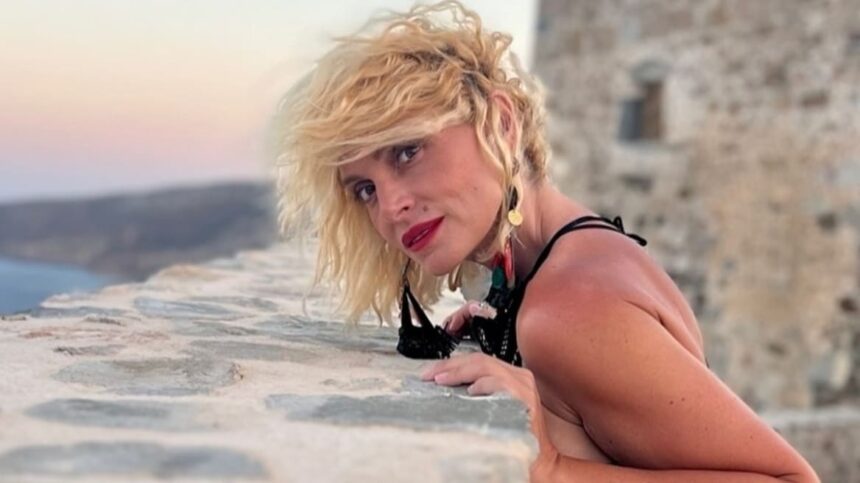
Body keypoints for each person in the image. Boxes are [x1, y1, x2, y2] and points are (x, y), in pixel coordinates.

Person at [273, 1, 819, 481]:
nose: (390, 206)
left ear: (501, 123)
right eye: (365, 189)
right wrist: (502, 325)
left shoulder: (568, 307)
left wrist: (552, 469)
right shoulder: (569, 253)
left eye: (407, 151)